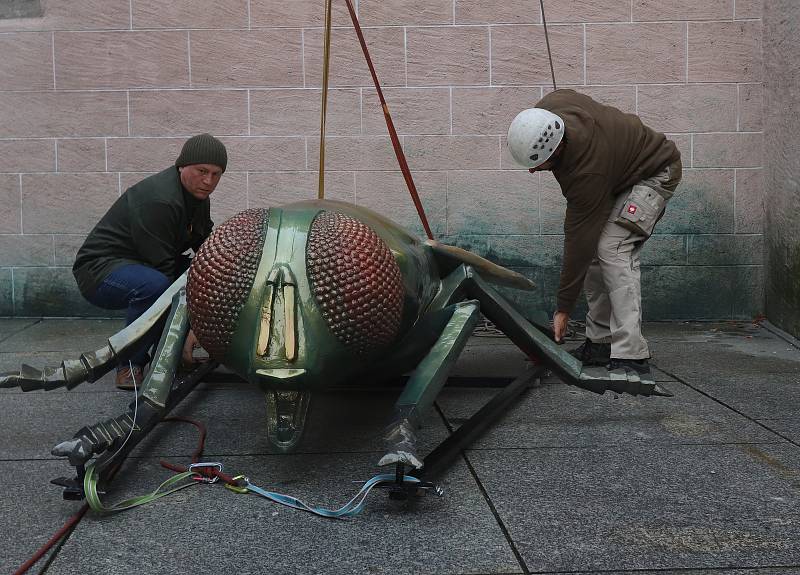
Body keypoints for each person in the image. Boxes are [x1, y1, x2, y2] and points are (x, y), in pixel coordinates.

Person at [507, 89, 682, 378]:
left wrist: (563, 308)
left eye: (537, 165)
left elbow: (577, 240)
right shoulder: (551, 107)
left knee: (612, 249)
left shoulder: (585, 173)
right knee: (593, 256)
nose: (532, 172)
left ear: (556, 150)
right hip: (617, 173)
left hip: (656, 171)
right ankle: (601, 342)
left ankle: (632, 353)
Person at [73, 133, 227, 389]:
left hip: (142, 263)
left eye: (216, 174)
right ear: (183, 166)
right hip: (100, 270)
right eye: (202, 171)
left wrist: (223, 269)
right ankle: (130, 365)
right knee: (157, 287)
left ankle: (168, 356)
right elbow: (164, 276)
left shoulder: (198, 196)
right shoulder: (160, 200)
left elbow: (204, 247)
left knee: (203, 272)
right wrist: (193, 317)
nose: (208, 181)